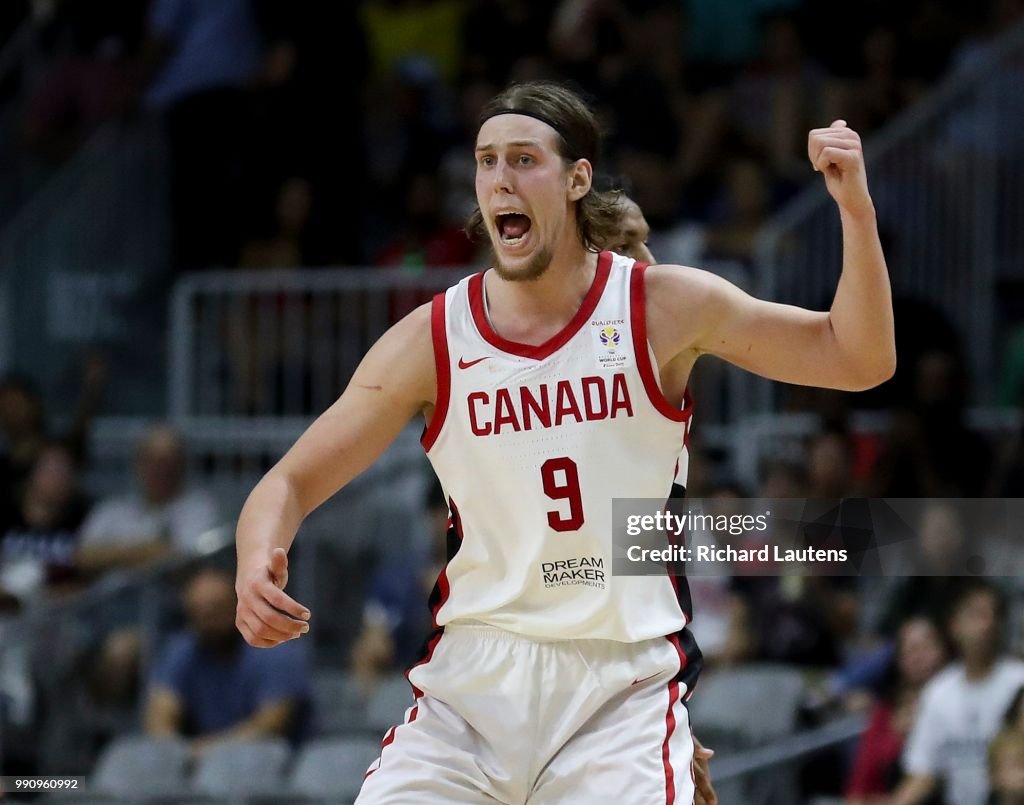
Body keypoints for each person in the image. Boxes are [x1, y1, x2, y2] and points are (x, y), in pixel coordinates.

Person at [235, 80, 894, 803]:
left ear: (578, 178)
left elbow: (857, 357)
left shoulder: (658, 307)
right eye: (487, 162)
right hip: (470, 692)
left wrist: (855, 211)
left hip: (620, 687)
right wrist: (256, 560)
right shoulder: (433, 339)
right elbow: (289, 482)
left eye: (523, 159)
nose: (500, 179)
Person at [145, 566, 312, 757]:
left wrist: (204, 752)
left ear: (238, 605)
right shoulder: (181, 650)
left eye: (217, 610)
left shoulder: (275, 648)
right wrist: (175, 751)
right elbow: (160, 716)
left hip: (273, 762)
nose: (208, 620)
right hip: (201, 763)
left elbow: (271, 724)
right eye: (198, 613)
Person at [893, 580, 1024, 805]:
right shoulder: (939, 691)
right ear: (954, 625)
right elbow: (924, 772)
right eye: (976, 614)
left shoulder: (1019, 681)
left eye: (992, 614)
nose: (987, 623)